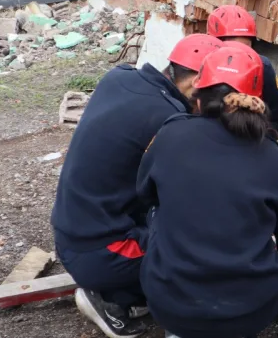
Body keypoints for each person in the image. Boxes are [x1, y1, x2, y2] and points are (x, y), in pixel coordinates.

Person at [51, 34, 224, 338]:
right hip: (102, 252)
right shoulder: (170, 120)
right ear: (197, 81)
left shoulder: (119, 77)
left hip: (72, 230)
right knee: (204, 244)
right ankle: (116, 301)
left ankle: (130, 288)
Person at [137, 45, 278, 338]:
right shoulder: (277, 160)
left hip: (171, 305)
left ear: (198, 97)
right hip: (248, 311)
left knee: (158, 211)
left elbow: (144, 194)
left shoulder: (170, 134)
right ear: (258, 99)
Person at [206, 4, 278, 133]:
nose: (239, 55)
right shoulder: (201, 67)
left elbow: (277, 117)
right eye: (231, 48)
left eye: (246, 48)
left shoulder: (262, 66)